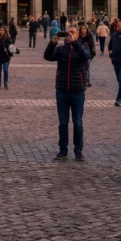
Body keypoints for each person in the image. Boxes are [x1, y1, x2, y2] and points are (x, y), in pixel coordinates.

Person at [43, 25, 89, 161]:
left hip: (77, 91)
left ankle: (78, 150)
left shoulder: (82, 47)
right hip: (62, 90)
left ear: (77, 34)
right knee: (63, 123)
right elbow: (47, 56)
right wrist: (52, 42)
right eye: (67, 33)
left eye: (73, 32)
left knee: (78, 122)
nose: (69, 35)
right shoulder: (61, 50)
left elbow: (86, 56)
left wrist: (75, 42)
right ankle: (63, 150)